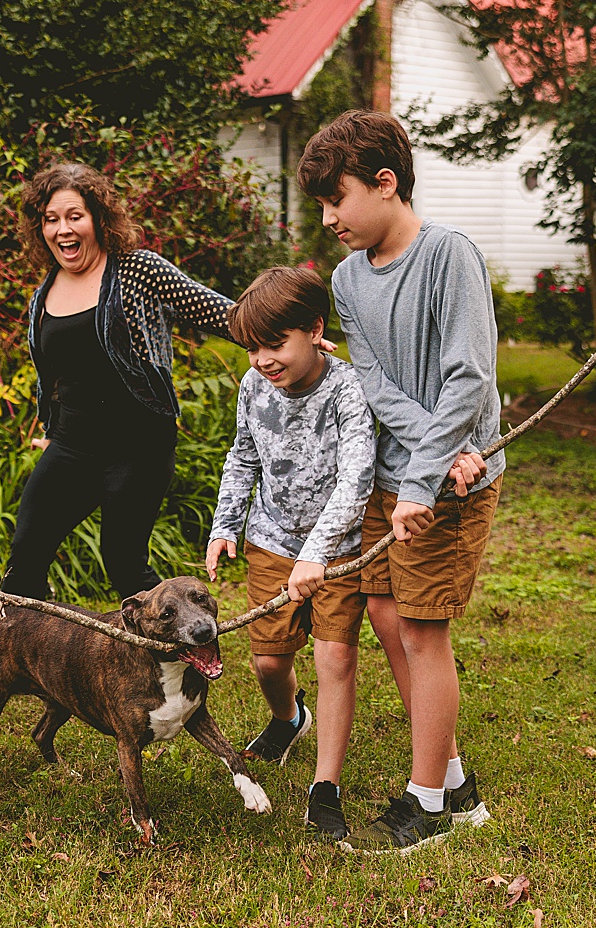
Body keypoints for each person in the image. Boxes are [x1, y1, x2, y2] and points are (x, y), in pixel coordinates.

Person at [298, 109, 499, 854]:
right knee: (386, 615)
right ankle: (457, 786)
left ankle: (428, 806)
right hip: (409, 472)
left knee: (422, 628)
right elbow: (377, 384)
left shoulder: (451, 256)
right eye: (321, 205)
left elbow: (467, 377)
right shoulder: (350, 280)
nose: (329, 219)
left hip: (452, 485)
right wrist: (425, 459)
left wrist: (432, 476)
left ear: (385, 183)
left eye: (336, 199)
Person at [0, 162, 240, 601]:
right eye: (51, 220)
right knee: (25, 553)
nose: (62, 230)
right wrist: (53, 433)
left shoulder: (137, 272)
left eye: (75, 216)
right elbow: (57, 377)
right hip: (73, 447)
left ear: (98, 218)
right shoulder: (43, 295)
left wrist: (287, 332)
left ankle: (185, 657)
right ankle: (35, 655)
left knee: (124, 563)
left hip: (139, 448)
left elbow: (217, 312)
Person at [205, 266, 376, 843]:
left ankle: (325, 786)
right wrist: (225, 524)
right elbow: (242, 457)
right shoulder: (253, 389)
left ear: (314, 330)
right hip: (272, 542)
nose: (262, 359)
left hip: (338, 552)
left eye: (275, 344)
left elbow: (357, 478)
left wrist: (319, 553)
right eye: (252, 348)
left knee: (335, 660)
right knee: (269, 662)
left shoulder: (346, 391)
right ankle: (288, 718)